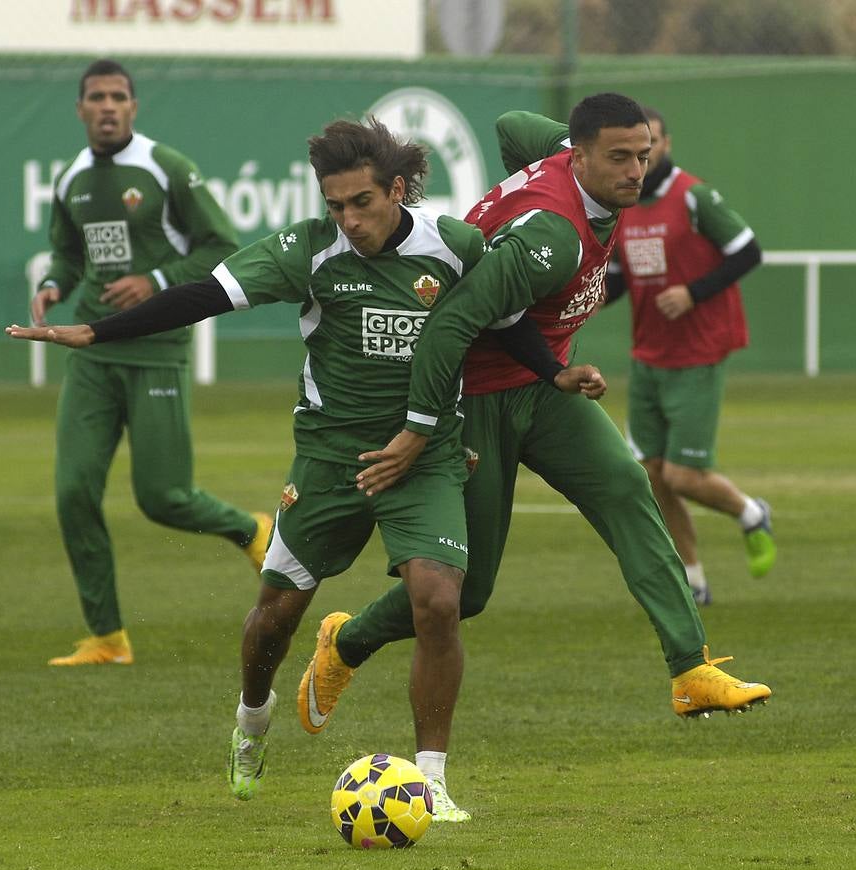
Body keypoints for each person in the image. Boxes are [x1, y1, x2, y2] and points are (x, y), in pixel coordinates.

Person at [8, 117, 595, 818]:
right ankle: (250, 722)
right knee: (274, 618)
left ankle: (432, 781)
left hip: (427, 456)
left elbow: (502, 321)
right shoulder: (308, 252)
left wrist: (553, 374)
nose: (347, 220)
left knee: (438, 604)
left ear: (397, 190)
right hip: (328, 460)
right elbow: (205, 295)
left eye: (361, 203)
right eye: (334, 206)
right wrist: (96, 331)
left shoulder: (454, 246)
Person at [297, 95, 772, 815]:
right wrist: (423, 429)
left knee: (622, 482)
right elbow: (452, 322)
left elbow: (512, 126)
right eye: (617, 157)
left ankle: (689, 667)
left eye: (642, 154)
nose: (634, 170)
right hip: (477, 400)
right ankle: (347, 640)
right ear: (579, 156)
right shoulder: (551, 237)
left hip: (542, 389)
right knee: (470, 593)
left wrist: (553, 167)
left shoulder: (569, 165)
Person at [32, 58, 271, 667]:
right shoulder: (71, 181)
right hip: (92, 348)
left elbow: (222, 246)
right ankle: (108, 638)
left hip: (158, 348)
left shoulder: (166, 169)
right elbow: (67, 254)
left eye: (118, 96)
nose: (107, 106)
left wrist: (157, 278)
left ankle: (251, 530)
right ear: (81, 109)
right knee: (72, 492)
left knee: (164, 497)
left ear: (133, 107)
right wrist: (55, 285)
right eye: (96, 97)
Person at [604, 106, 774, 606]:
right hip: (648, 353)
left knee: (683, 475)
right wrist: (573, 305)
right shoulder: (623, 204)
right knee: (653, 476)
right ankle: (694, 582)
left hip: (698, 351)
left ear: (667, 144)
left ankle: (750, 513)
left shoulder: (694, 197)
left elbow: (748, 250)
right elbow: (616, 278)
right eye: (631, 148)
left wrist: (693, 293)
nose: (642, 155)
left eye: (650, 142)